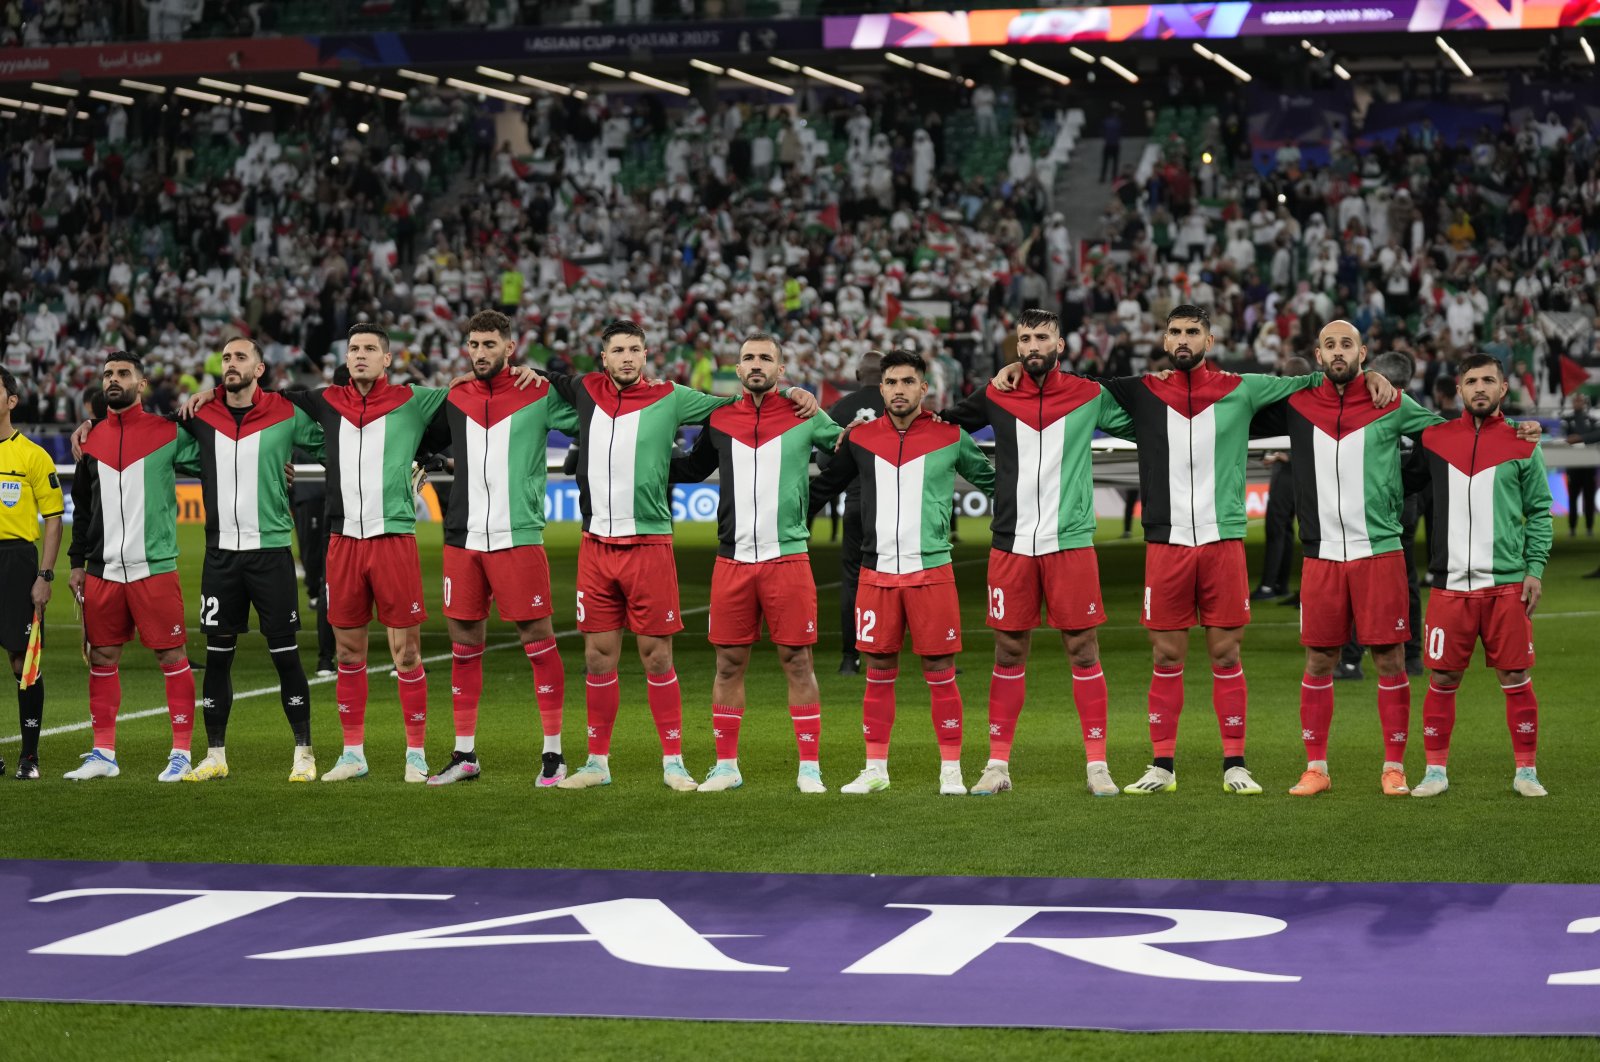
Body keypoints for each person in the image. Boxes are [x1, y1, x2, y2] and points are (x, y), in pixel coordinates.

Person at [1004, 305, 1394, 796]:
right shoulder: (1142, 388)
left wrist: (1372, 372)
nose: (1182, 338)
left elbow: (1322, 381)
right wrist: (1016, 367)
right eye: (1175, 332)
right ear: (1165, 341)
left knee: (1226, 655)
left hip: (1222, 541)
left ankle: (1235, 764)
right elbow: (1064, 382)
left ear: (1209, 341)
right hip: (1166, 544)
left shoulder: (1243, 387)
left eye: (1192, 331)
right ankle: (1162, 766)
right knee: (1166, 657)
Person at [537, 321, 820, 790]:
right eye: (617, 351)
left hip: (649, 544)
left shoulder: (673, 396)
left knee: (656, 657)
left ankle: (674, 762)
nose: (626, 358)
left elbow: (739, 404)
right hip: (595, 543)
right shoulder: (583, 388)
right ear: (602, 357)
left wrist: (795, 393)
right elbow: (535, 380)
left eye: (634, 350)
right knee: (598, 656)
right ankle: (596, 763)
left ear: (646, 355)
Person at [191, 325, 452, 783]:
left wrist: (423, 456)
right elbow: (254, 394)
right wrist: (210, 392)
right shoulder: (324, 400)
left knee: (406, 652)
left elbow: (463, 400)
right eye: (354, 349)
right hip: (343, 541)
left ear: (387, 359)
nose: (361, 355)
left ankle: (415, 754)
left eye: (370, 349)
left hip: (395, 539)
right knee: (349, 653)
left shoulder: (414, 398)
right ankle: (353, 754)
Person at [1252, 323, 1500, 797]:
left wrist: (1510, 429)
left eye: (1347, 344)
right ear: (1318, 355)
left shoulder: (1390, 401)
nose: (1338, 352)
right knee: (1319, 660)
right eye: (1330, 345)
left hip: (1380, 552)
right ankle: (1316, 769)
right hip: (1321, 555)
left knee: (1389, 659)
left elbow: (1447, 439)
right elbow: (1236, 407)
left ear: (1363, 353)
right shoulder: (1299, 402)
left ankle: (1393, 767)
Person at [934, 309, 1134, 797]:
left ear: (1060, 345)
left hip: (1070, 544)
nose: (1033, 346)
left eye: (1042, 337)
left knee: (1083, 649)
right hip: (1012, 544)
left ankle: (1097, 767)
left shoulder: (1089, 394)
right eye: (1025, 339)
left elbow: (1148, 420)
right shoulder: (997, 394)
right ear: (1016, 347)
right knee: (1007, 649)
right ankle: (997, 765)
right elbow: (942, 422)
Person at [807, 349, 996, 796]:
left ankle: (951, 770)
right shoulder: (860, 438)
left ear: (923, 388)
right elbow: (823, 487)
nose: (898, 390)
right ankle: (876, 769)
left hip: (931, 571)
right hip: (876, 575)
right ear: (881, 387)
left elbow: (993, 483)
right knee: (878, 668)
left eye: (907, 382)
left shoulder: (950, 436)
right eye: (891, 382)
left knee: (940, 668)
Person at [669, 332, 843, 794]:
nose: (757, 364)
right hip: (733, 561)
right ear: (738, 368)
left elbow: (848, 450)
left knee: (797, 661)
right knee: (727, 664)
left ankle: (809, 769)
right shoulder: (720, 417)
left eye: (767, 357)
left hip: (788, 559)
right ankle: (727, 766)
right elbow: (690, 469)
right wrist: (642, 463)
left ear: (781, 370)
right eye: (748, 358)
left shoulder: (804, 412)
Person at [430, 310, 579, 787]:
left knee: (538, 642)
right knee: (463, 646)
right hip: (462, 538)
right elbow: (405, 428)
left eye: (489, 345)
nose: (479, 354)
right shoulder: (454, 395)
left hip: (518, 536)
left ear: (509, 348)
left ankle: (553, 755)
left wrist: (556, 377)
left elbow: (595, 413)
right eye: (473, 345)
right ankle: (464, 754)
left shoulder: (538, 393)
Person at [175, 337, 325, 783]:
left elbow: (335, 439)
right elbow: (157, 440)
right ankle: (215, 755)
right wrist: (90, 426)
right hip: (220, 555)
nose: (231, 363)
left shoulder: (284, 412)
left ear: (260, 368)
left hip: (271, 552)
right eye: (226, 358)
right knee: (218, 657)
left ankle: (304, 752)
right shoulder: (202, 415)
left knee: (286, 656)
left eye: (241, 357)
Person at [1413, 354, 1553, 798]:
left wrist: (1534, 569)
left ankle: (1526, 771)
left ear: (1503, 388)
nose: (1479, 388)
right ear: (1458, 390)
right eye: (1471, 381)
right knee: (1442, 679)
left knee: (1515, 677)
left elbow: (1540, 512)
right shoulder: (1433, 437)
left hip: (1507, 584)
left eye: (1488, 381)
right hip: (1449, 585)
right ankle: (1435, 771)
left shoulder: (1524, 442)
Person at [65, 351, 202, 782]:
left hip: (154, 565)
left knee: (171, 654)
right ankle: (103, 753)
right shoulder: (90, 439)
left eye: (123, 373)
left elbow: (219, 459)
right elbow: (82, 509)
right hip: (103, 567)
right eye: (108, 374)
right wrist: (76, 563)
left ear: (141, 384)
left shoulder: (168, 432)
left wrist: (274, 469)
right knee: (103, 656)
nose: (114, 379)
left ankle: (181, 753)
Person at [0, 367, 64, 780]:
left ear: (11, 400)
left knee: (22, 660)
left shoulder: (33, 456)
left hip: (16, 561)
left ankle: (29, 756)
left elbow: (55, 519)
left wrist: (45, 574)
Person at [825, 351, 884, 676]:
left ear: (859, 374)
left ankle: (850, 657)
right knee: (916, 578)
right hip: (898, 507)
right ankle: (933, 654)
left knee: (852, 581)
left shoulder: (843, 408)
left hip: (857, 506)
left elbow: (824, 460)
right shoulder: (900, 400)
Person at [1251, 357, 1313, 601]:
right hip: (1305, 474)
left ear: (1287, 375)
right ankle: (1281, 585)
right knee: (1288, 529)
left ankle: (1269, 586)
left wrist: (1281, 455)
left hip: (1288, 472)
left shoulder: (1291, 400)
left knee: (1277, 527)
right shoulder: (1312, 400)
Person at [1562, 392, 1597, 538]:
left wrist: (1580, 438)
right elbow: (1563, 437)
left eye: (1580, 401)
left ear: (1584, 403)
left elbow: (1598, 434)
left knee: (1589, 498)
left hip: (1589, 466)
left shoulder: (1591, 420)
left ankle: (1589, 528)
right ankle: (1572, 528)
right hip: (1573, 465)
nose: (1577, 403)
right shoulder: (1567, 420)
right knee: (1573, 498)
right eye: (1575, 401)